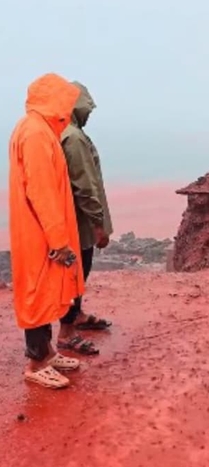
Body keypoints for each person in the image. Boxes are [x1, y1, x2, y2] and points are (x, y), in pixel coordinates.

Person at [8, 73, 86, 388]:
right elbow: (42, 192)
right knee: (38, 296)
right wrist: (59, 241)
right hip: (40, 234)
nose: (70, 107)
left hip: (39, 231)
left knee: (45, 293)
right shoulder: (37, 134)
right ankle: (36, 362)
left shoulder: (36, 129)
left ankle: (48, 353)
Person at [59, 81, 114, 346]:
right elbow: (84, 184)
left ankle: (76, 314)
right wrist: (98, 223)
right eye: (86, 109)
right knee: (76, 273)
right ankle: (66, 332)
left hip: (73, 218)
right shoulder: (74, 137)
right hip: (79, 222)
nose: (89, 114)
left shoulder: (66, 132)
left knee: (78, 272)